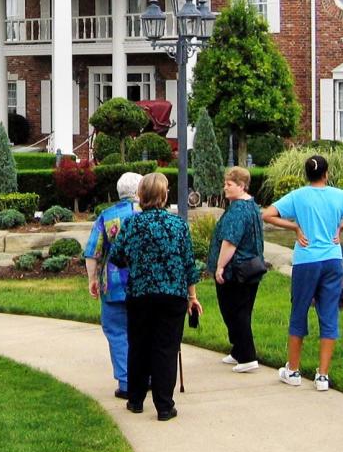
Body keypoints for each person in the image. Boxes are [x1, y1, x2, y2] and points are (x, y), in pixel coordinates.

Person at [262, 154, 343, 392]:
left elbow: (267, 214)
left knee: (299, 312)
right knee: (328, 314)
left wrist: (294, 226)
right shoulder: (340, 196)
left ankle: (293, 371)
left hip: (306, 261)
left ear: (306, 174)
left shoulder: (297, 196)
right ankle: (323, 376)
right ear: (326, 174)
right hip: (333, 261)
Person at [109, 172, 201, 421]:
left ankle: (136, 400)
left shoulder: (131, 224)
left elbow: (116, 257)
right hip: (172, 295)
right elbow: (188, 264)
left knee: (139, 345)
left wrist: (136, 260)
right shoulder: (178, 224)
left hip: (140, 293)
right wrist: (192, 297)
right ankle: (164, 405)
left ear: (141, 196)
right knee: (166, 348)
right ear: (163, 195)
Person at [84, 171, 144, 399]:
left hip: (114, 284)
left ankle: (127, 382)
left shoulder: (107, 216)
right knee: (142, 331)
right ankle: (146, 377)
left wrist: (92, 279)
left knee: (117, 332)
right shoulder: (147, 214)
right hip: (144, 284)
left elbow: (93, 251)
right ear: (140, 191)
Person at [206, 166, 265, 373]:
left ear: (241, 186)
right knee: (242, 310)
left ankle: (247, 357)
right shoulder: (252, 206)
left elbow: (230, 241)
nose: (225, 188)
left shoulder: (239, 210)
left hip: (236, 271)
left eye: (229, 184)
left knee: (234, 311)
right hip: (251, 269)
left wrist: (220, 267)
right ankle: (238, 350)